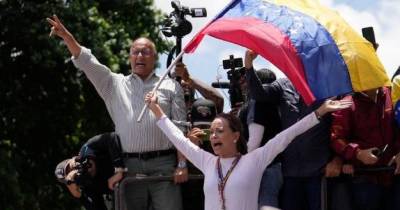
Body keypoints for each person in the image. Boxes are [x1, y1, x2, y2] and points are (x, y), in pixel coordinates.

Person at [47, 15, 187, 210]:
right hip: (129, 168)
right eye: (135, 52)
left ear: (154, 58)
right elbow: (87, 62)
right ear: (129, 57)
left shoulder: (172, 86)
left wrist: (182, 165)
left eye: (145, 52)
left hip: (165, 165)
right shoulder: (113, 84)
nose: (140, 56)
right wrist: (67, 37)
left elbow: (181, 129)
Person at [144, 90, 352, 210]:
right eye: (212, 132)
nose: (213, 136)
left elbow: (289, 134)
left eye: (220, 131)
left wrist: (321, 111)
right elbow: (178, 139)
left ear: (235, 136)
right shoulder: (207, 162)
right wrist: (156, 109)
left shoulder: (254, 160)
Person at [244, 50, 344, 210]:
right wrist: (248, 65)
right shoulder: (283, 85)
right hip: (290, 173)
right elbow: (258, 94)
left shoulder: (328, 88)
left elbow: (341, 128)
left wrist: (338, 159)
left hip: (319, 173)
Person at [330, 87, 400, 210]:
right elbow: (336, 138)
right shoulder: (348, 103)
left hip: (393, 175)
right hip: (364, 178)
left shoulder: (392, 93)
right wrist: (358, 153)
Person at [55, 132, 124, 210]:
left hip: (133, 162)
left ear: (74, 158)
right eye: (70, 174)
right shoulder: (87, 186)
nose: (74, 170)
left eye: (69, 167)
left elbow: (111, 137)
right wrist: (79, 196)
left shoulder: (87, 148)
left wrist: (119, 170)